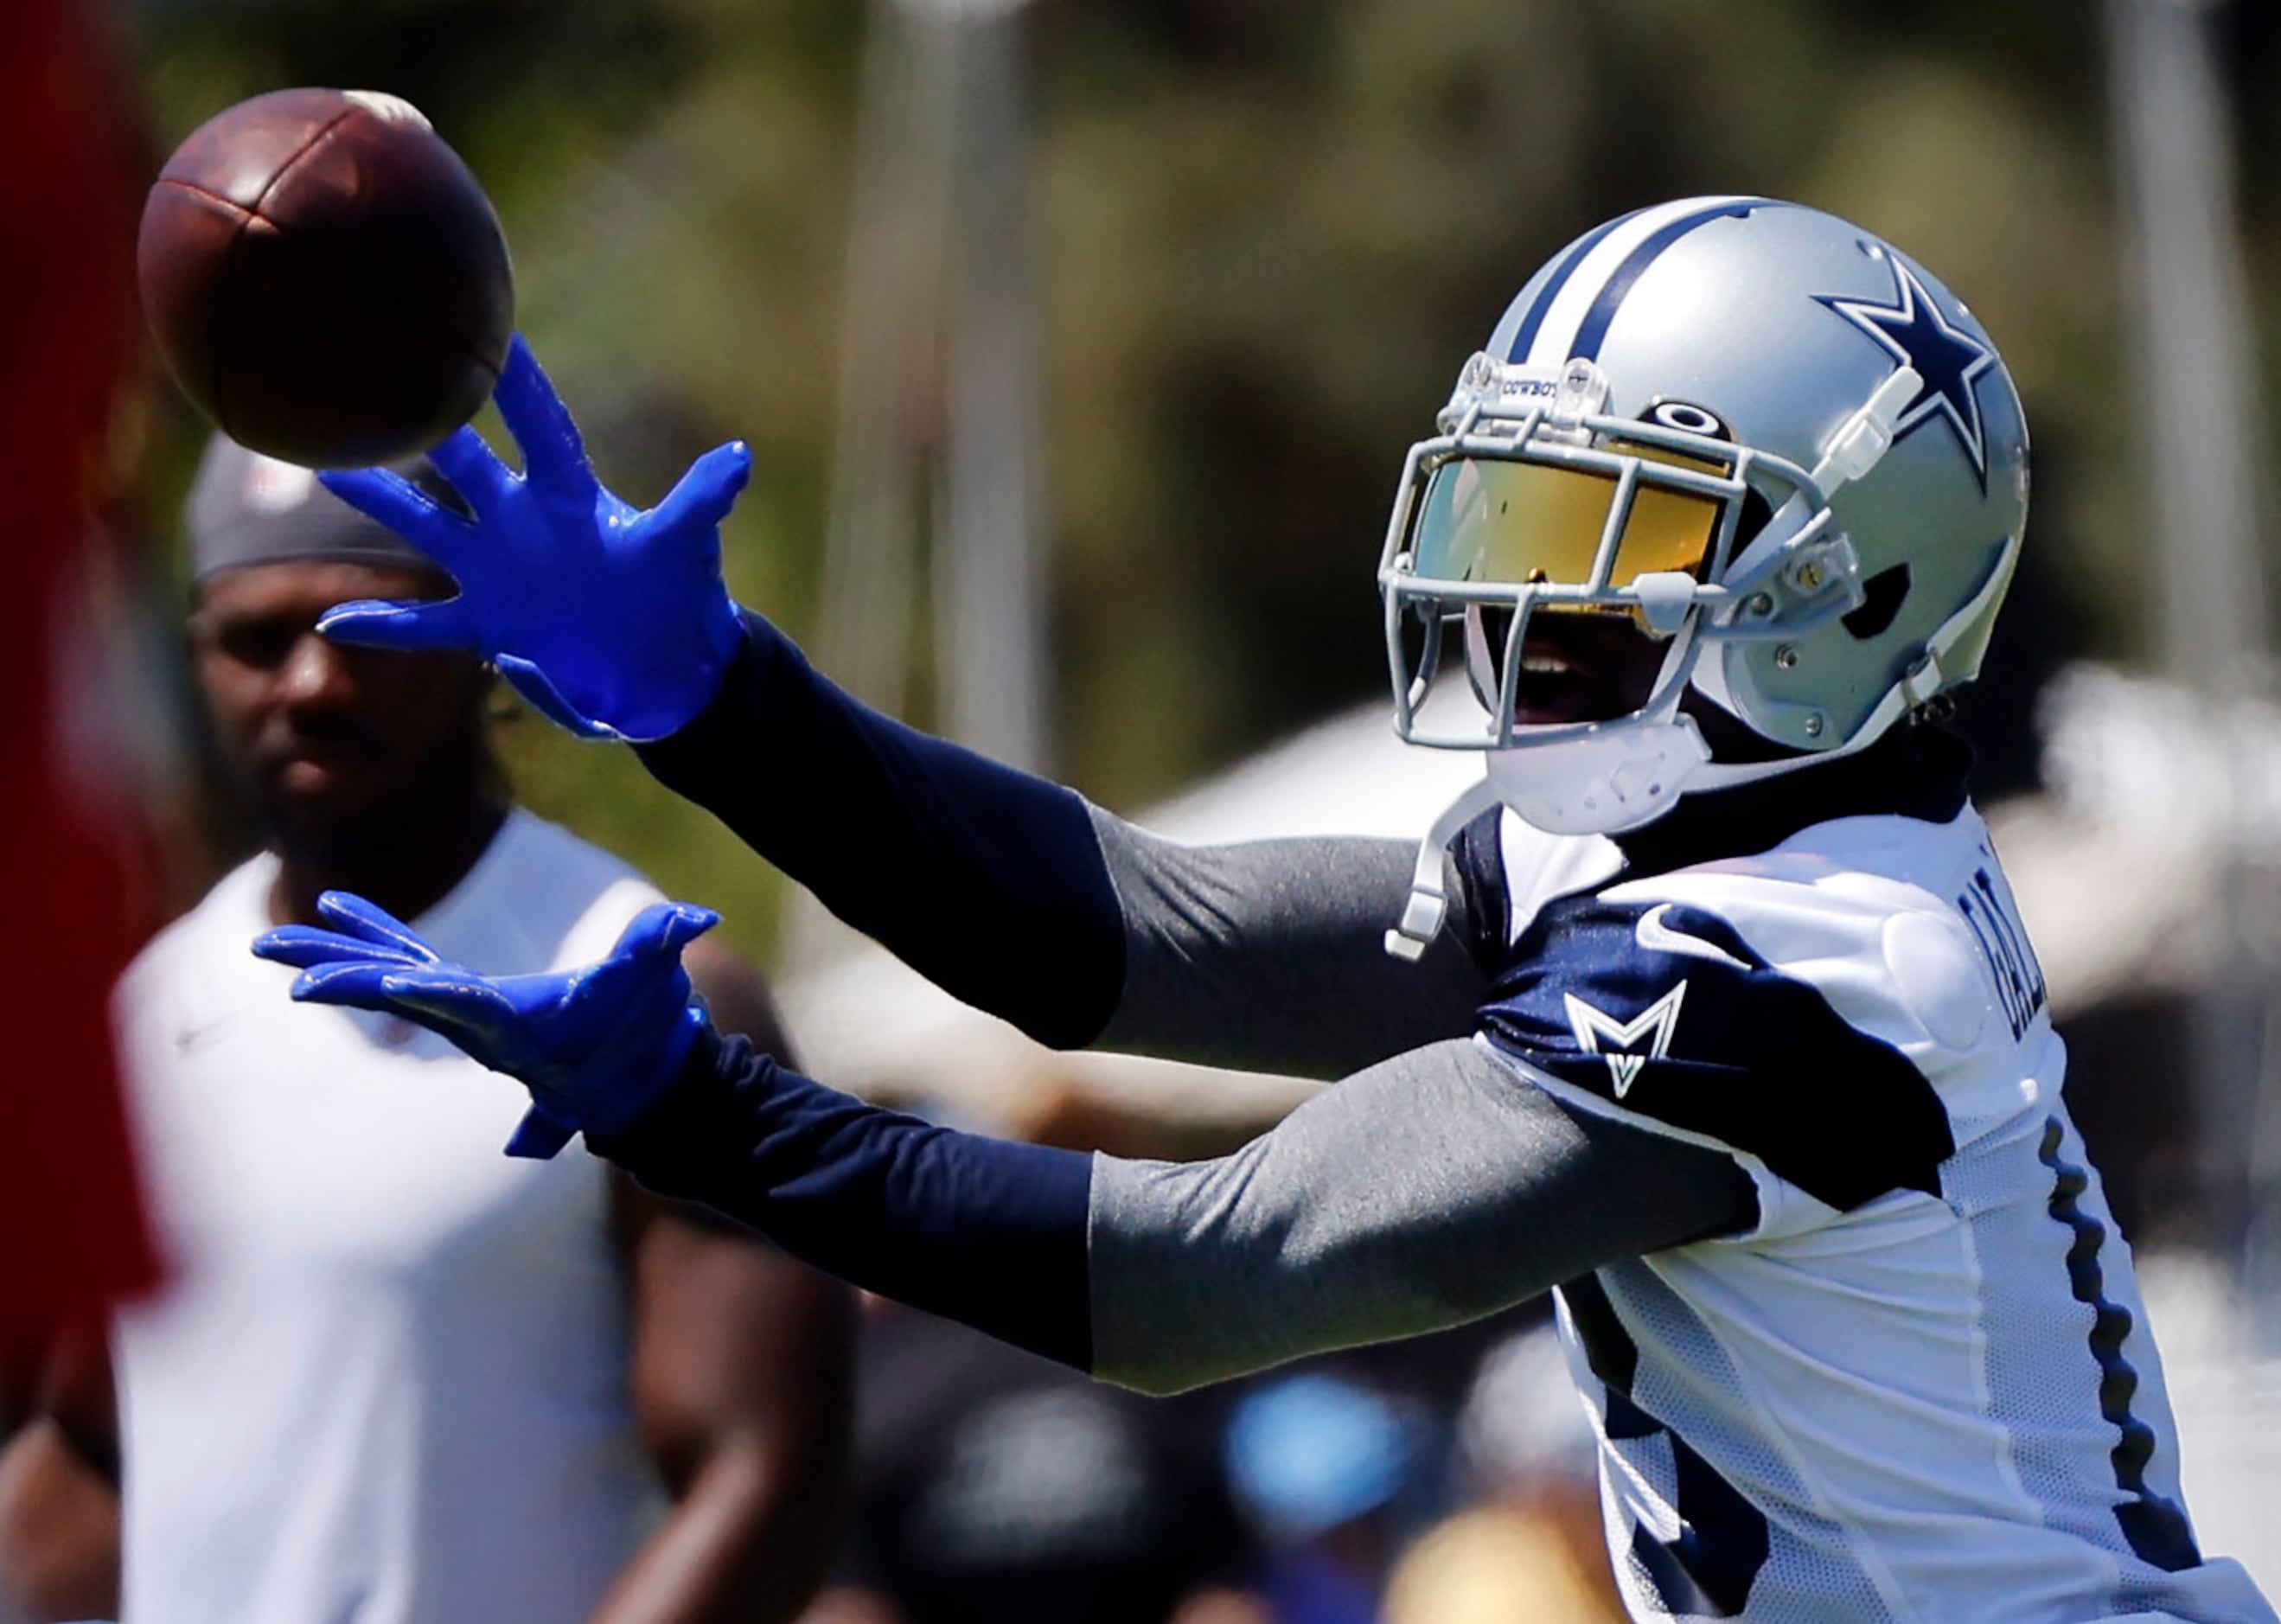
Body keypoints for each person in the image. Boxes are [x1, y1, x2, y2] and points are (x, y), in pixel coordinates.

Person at [255, 197, 2275, 1621]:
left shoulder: (1814, 968)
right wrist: (716, 703)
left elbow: (1203, 1277)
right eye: (1518, 514)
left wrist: (703, 1120)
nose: (1524, 598)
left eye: (1611, 535)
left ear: (1847, 588)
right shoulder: (1693, 835)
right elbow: (1116, 933)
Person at [0, 438, 853, 1624]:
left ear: (480, 646)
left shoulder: (637, 978)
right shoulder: (147, 1010)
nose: (308, 681)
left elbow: (762, 1476)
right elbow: (95, 1445)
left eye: (361, 627)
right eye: (257, 638)